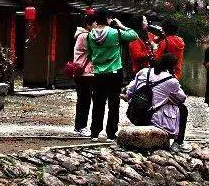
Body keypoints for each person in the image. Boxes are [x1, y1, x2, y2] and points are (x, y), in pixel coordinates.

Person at [86, 9, 139, 139]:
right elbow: (134, 35)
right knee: (113, 103)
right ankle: (111, 133)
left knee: (98, 103)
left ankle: (94, 132)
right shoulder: (115, 33)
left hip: (98, 73)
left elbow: (89, 54)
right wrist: (121, 25)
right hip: (115, 72)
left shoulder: (90, 35)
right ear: (108, 18)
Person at [123, 53, 187, 143]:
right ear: (172, 67)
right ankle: (178, 143)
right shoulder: (171, 81)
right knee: (183, 108)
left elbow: (130, 90)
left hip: (133, 114)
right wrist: (168, 98)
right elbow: (182, 98)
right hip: (152, 119)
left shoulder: (144, 71)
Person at [69, 9, 97, 137]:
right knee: (84, 100)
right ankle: (81, 126)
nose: (97, 26)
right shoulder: (85, 36)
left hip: (83, 73)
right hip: (84, 73)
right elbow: (95, 49)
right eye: (95, 24)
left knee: (83, 100)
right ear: (88, 25)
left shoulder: (81, 35)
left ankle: (79, 125)